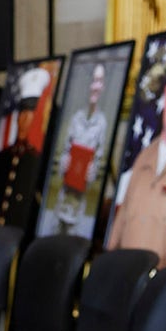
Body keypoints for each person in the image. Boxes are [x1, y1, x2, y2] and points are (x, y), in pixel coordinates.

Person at [106, 32, 166, 268]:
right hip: (123, 281)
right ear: (165, 91)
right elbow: (117, 229)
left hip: (160, 289)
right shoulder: (143, 157)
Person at [0, 66, 51, 229]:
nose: (24, 121)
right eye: (22, 116)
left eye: (29, 116)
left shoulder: (36, 158)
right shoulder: (3, 156)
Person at [54, 63, 109, 234]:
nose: (95, 86)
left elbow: (98, 162)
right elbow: (64, 151)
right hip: (64, 194)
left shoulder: (101, 123)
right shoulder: (75, 118)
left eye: (99, 81)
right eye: (93, 81)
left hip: (80, 199)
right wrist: (65, 162)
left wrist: (91, 172)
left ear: (103, 86)